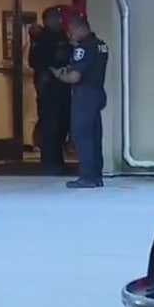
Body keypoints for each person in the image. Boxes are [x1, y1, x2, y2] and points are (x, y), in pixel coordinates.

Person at [50, 14, 108, 188]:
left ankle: (87, 176)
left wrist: (59, 75)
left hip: (84, 95)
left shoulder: (82, 48)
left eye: (73, 32)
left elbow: (75, 77)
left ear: (82, 29)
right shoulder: (101, 45)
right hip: (98, 92)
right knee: (95, 136)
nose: (71, 36)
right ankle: (96, 175)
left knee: (82, 137)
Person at [28, 7, 72, 174]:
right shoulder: (41, 38)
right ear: (46, 20)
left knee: (63, 124)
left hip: (63, 86)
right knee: (50, 124)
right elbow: (35, 61)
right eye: (55, 18)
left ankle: (58, 160)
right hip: (48, 88)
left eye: (59, 18)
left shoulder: (62, 35)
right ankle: (49, 162)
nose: (58, 21)